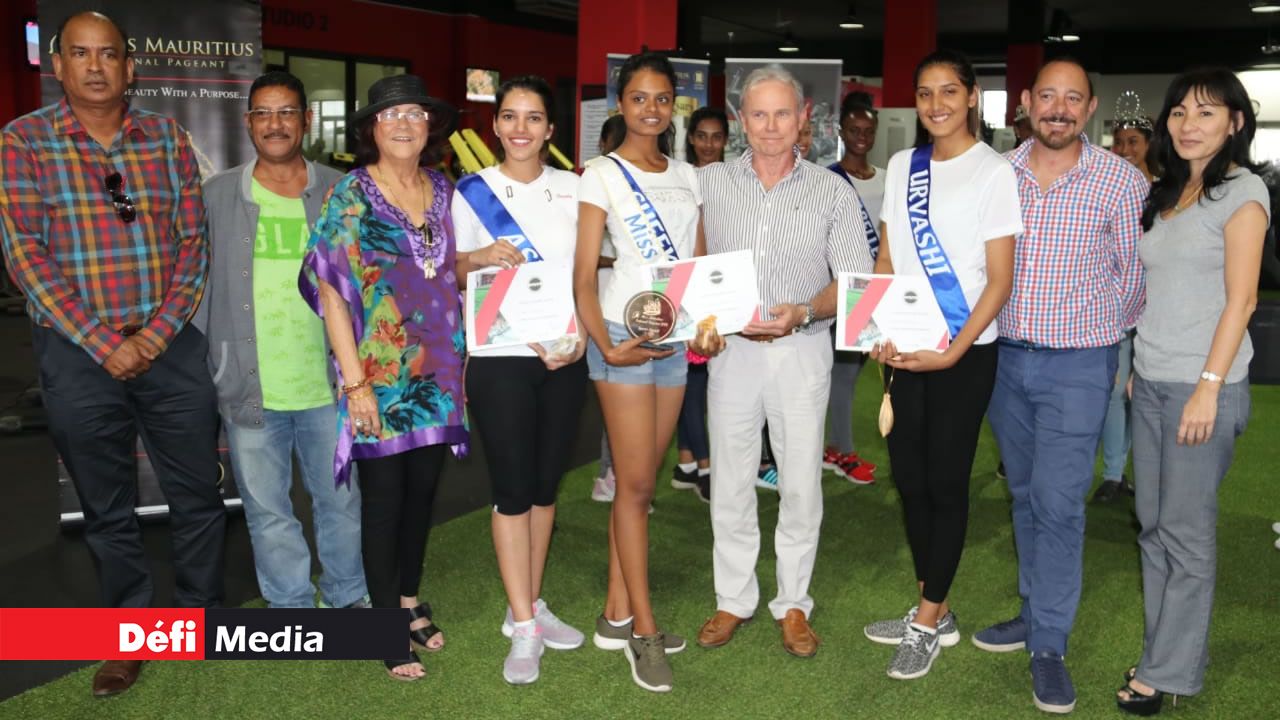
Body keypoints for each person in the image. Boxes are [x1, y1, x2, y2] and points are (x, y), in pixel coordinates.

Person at [0, 11, 226, 697]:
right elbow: (24, 254)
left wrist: (153, 337)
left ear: (131, 67)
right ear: (59, 66)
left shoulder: (164, 138)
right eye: (80, 54)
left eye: (109, 55)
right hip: (77, 356)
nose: (96, 67)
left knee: (197, 496)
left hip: (171, 347)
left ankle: (198, 624)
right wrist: (103, 342)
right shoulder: (23, 141)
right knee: (106, 508)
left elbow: (195, 242)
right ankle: (129, 636)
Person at [973, 58, 1147, 714]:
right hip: (1006, 362)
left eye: (1073, 99)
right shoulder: (996, 175)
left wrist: (1102, 338)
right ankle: (1034, 610)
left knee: (1058, 501)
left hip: (1079, 363)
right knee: (1023, 494)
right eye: (1048, 95)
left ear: (1091, 107)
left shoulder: (1120, 181)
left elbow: (1133, 277)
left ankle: (1049, 638)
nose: (1059, 108)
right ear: (1026, 101)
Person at [694, 65, 873, 659]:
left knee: (800, 484)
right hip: (733, 354)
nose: (770, 127)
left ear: (803, 120)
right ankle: (733, 598)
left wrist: (802, 311)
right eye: (758, 114)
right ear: (742, 121)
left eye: (782, 114)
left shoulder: (831, 190)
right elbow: (692, 268)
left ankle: (793, 602)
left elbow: (852, 282)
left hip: (802, 351)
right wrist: (705, 324)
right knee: (731, 482)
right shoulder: (710, 183)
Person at [299, 74, 468, 682]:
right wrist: (355, 383)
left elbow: (442, 266)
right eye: (390, 114)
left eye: (414, 114)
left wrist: (489, 262)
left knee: (424, 494)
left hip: (440, 371)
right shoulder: (350, 194)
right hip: (377, 373)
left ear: (429, 127)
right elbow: (328, 287)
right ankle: (382, 625)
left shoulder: (445, 190)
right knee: (385, 501)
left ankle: (406, 600)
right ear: (373, 128)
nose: (403, 123)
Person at [861, 50, 1020, 680]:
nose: (936, 105)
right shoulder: (904, 165)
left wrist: (953, 351)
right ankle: (939, 603)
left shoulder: (994, 173)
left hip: (964, 353)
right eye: (925, 93)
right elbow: (888, 255)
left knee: (948, 483)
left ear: (973, 96)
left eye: (949, 91)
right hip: (906, 346)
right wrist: (877, 325)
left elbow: (999, 281)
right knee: (912, 480)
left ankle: (926, 619)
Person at [1115, 68, 1268, 716]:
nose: (1188, 124)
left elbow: (1243, 298)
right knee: (1152, 525)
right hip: (1150, 381)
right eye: (1179, 112)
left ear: (1234, 123)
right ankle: (1169, 652)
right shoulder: (1171, 192)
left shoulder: (1243, 191)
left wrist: (1207, 389)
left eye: (1206, 113)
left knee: (1185, 533)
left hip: (1201, 387)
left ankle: (1167, 672)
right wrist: (1134, 365)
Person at [199, 71, 367, 612]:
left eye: (287, 112)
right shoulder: (217, 195)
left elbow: (367, 280)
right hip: (249, 385)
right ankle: (290, 605)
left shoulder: (339, 190)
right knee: (266, 507)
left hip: (328, 384)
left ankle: (348, 595)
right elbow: (194, 283)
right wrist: (218, 355)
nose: (275, 124)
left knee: (340, 501)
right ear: (249, 122)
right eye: (264, 114)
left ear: (306, 121)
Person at [452, 75, 588, 685]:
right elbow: (445, 269)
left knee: (543, 488)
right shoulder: (469, 192)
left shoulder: (576, 189)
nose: (521, 129)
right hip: (500, 358)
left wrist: (584, 331)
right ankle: (524, 624)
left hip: (562, 356)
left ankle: (527, 607)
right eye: (510, 117)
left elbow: (588, 273)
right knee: (510, 491)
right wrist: (477, 259)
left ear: (551, 129)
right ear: (496, 124)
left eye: (534, 118)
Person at [574, 52, 701, 693]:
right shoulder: (600, 173)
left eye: (661, 99)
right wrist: (606, 346)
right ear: (620, 105)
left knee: (642, 487)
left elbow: (699, 266)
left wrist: (708, 323)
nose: (650, 109)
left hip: (673, 337)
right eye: (638, 98)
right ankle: (644, 632)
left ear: (671, 104)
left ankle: (615, 614)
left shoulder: (687, 176)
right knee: (634, 484)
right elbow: (582, 278)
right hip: (623, 338)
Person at [1093, 108, 1157, 504]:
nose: (1124, 149)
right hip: (1116, 307)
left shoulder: (1167, 191)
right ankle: (1114, 475)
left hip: (1157, 307)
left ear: (1150, 145)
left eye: (1133, 141)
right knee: (1117, 391)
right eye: (1118, 142)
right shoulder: (1107, 186)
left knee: (1142, 393)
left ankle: (1138, 473)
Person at [823, 92, 885, 485]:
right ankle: (842, 452)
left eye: (867, 130)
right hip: (842, 291)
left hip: (878, 290)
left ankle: (832, 446)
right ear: (842, 131)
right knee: (843, 375)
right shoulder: (829, 179)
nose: (861, 136)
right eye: (854, 130)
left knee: (852, 373)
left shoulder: (886, 178)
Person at [671, 106, 729, 504]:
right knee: (689, 381)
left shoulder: (733, 179)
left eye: (716, 136)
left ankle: (688, 462)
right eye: (701, 136)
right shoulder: (679, 177)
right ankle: (703, 466)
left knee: (711, 382)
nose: (709, 144)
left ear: (726, 140)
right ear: (690, 139)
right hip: (687, 288)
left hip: (724, 286)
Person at [591, 114, 627, 503]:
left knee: (621, 407)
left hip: (622, 308)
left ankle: (616, 473)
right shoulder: (594, 182)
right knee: (610, 406)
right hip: (599, 308)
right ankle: (607, 473)